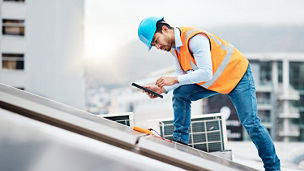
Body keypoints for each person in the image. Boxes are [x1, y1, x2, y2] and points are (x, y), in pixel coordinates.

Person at [137, 16, 281, 171]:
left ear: (165, 29)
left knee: (251, 123)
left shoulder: (195, 39)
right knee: (180, 95)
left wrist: (173, 80)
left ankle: (273, 168)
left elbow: (205, 73)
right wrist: (162, 89)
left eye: (156, 41)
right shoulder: (175, 50)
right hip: (214, 81)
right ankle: (180, 142)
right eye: (154, 45)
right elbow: (181, 78)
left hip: (237, 76)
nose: (158, 47)